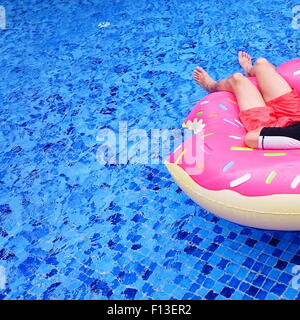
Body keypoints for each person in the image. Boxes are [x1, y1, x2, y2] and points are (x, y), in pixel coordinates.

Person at [193, 52, 300, 149]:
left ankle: (212, 87)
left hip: (273, 127)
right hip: (296, 114)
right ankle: (250, 70)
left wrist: (275, 133)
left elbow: (251, 138)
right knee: (261, 64)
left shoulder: (294, 137)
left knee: (238, 79)